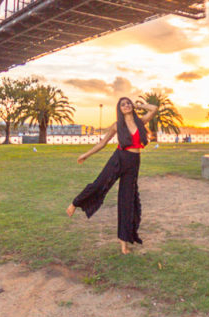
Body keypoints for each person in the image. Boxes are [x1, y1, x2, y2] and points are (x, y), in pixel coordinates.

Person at [66, 97, 158, 254]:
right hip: (119, 159)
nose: (126, 106)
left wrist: (138, 105)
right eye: (123, 104)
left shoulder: (140, 122)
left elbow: (154, 109)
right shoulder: (117, 125)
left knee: (127, 200)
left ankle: (124, 242)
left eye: (128, 103)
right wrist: (86, 155)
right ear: (119, 109)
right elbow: (102, 143)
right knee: (100, 183)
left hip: (134, 162)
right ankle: (76, 203)